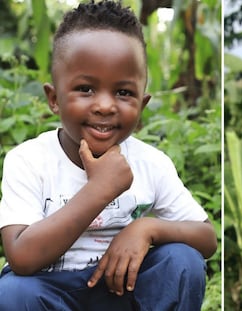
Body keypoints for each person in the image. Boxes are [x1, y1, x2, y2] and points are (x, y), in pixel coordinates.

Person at [0, 1, 217, 310]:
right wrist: (99, 189)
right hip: (51, 294)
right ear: (53, 98)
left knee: (182, 261)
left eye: (123, 92)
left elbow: (207, 238)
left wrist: (146, 228)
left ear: (142, 107)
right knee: (12, 294)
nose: (105, 105)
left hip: (121, 291)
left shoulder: (150, 163)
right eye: (86, 89)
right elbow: (20, 257)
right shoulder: (29, 160)